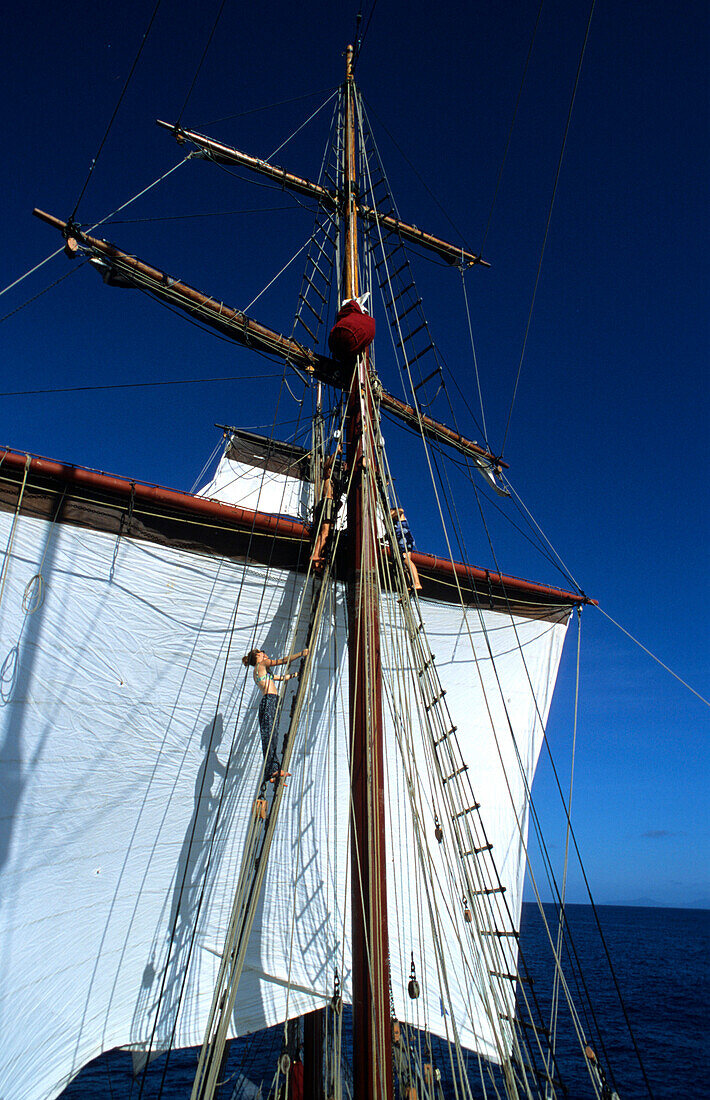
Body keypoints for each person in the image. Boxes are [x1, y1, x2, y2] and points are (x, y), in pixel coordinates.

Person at [242, 646, 309, 780]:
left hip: (270, 702)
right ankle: (273, 769)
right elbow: (283, 661)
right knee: (270, 736)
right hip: (270, 702)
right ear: (257, 657)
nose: (265, 654)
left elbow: (282, 677)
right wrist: (302, 653)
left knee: (271, 736)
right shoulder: (262, 664)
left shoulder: (260, 671)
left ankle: (271, 771)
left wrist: (296, 675)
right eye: (262, 653)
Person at [310, 454, 337, 571]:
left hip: (328, 505)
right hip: (328, 503)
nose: (330, 470)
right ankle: (315, 554)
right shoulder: (326, 477)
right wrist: (336, 452)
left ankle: (318, 553)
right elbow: (326, 465)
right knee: (325, 533)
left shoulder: (330, 481)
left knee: (326, 533)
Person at [390, 507, 422, 592]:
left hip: (404, 539)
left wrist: (391, 514)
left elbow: (401, 510)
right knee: (405, 564)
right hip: (402, 540)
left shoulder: (399, 515)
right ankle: (409, 586)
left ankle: (417, 582)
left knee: (406, 560)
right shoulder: (394, 523)